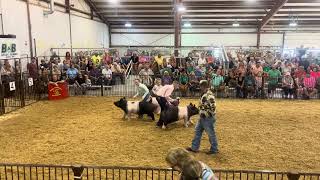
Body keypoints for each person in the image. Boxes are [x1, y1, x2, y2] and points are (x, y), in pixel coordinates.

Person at [187, 80, 218, 155]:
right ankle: (194, 148)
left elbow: (213, 107)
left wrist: (207, 114)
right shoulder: (204, 94)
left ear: (204, 86)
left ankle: (214, 149)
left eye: (200, 86)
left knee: (211, 134)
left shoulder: (209, 95)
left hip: (207, 118)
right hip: (202, 117)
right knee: (197, 131)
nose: (199, 87)